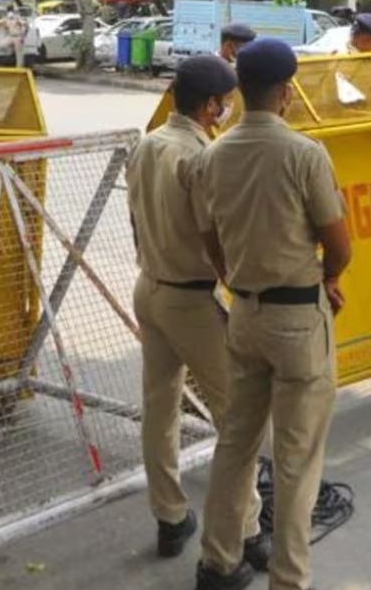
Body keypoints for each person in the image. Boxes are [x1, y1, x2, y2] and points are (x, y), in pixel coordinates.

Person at [193, 37, 352, 590]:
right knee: (296, 458)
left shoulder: (212, 154)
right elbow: (340, 244)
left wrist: (236, 279)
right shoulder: (304, 153)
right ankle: (289, 579)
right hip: (297, 321)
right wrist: (327, 278)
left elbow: (209, 238)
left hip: (246, 315)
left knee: (236, 444)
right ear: (286, 92)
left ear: (241, 93)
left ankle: (217, 560)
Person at [126, 56, 269, 569]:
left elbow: (137, 224)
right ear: (211, 106)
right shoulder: (199, 157)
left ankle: (169, 517)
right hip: (190, 299)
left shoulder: (146, 146)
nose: (230, 107)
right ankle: (249, 531)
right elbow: (220, 241)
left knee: (160, 408)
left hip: (150, 287)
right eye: (226, 100)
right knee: (238, 419)